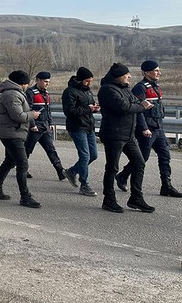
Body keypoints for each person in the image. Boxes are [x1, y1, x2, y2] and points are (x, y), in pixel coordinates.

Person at [117, 60, 182, 198]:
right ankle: (123, 176)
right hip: (146, 129)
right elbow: (138, 110)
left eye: (159, 70)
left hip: (158, 128)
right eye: (156, 70)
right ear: (147, 72)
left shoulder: (156, 87)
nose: (159, 73)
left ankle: (167, 186)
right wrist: (144, 128)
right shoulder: (140, 88)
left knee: (165, 156)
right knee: (142, 158)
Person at [98, 63, 155, 213]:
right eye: (126, 74)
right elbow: (124, 108)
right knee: (112, 167)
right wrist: (142, 106)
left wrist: (138, 105)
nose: (129, 76)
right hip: (114, 134)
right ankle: (109, 199)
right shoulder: (108, 90)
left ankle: (136, 198)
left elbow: (134, 103)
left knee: (139, 163)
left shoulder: (125, 88)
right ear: (119, 76)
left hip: (129, 134)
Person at [0, 71, 42, 208]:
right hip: (12, 133)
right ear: (22, 83)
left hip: (14, 132)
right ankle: (25, 196)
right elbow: (19, 116)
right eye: (26, 83)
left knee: (9, 161)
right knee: (22, 164)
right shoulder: (12, 94)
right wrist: (33, 115)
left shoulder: (14, 92)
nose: (27, 86)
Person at [62, 67, 101, 196]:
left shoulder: (88, 91)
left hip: (89, 126)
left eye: (90, 81)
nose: (89, 83)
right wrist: (87, 109)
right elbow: (69, 111)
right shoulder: (70, 92)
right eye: (87, 81)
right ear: (79, 80)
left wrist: (94, 108)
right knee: (84, 155)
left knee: (93, 155)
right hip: (77, 127)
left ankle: (72, 171)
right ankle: (84, 184)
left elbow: (88, 106)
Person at [24, 72, 67, 181]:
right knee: (27, 149)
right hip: (35, 127)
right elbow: (27, 110)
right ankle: (22, 169)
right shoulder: (30, 93)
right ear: (38, 80)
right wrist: (32, 125)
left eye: (48, 82)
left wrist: (51, 123)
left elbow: (48, 110)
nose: (47, 84)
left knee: (51, 149)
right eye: (45, 81)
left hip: (45, 126)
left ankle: (60, 171)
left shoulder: (46, 94)